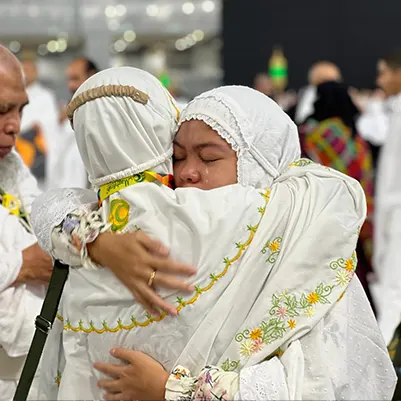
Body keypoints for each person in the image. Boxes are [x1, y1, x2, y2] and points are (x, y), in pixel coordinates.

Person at [31, 70, 395, 400]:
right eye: (177, 157)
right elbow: (54, 207)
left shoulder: (302, 236)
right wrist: (97, 241)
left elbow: (320, 381)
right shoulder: (170, 219)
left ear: (257, 161)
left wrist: (173, 390)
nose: (188, 172)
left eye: (208, 158)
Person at [0, 45, 53, 400]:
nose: (15, 125)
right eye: (2, 110)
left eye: (20, 109)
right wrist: (20, 265)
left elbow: (41, 216)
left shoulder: (11, 165)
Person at [298, 81, 375, 311]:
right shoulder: (356, 138)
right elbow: (365, 179)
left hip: (323, 216)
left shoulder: (311, 135)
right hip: (356, 215)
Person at [372, 50, 401, 346]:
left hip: (397, 215)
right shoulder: (394, 111)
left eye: (384, 73)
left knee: (394, 287)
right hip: (391, 213)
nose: (379, 80)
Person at [50, 57, 99, 189]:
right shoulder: (66, 113)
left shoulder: (101, 113)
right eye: (69, 79)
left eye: (75, 78)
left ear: (91, 76)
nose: (70, 85)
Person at [18, 58, 59, 190]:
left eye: (27, 70)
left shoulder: (45, 96)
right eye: (22, 70)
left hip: (37, 150)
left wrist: (35, 127)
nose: (25, 74)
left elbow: (50, 123)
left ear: (36, 72)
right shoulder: (14, 94)